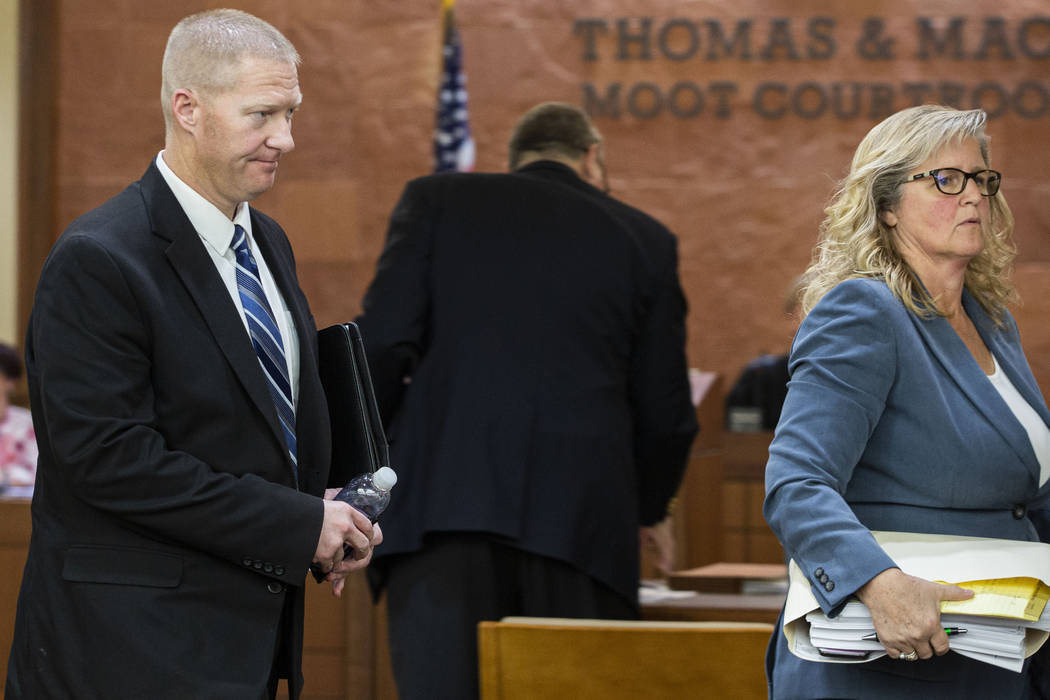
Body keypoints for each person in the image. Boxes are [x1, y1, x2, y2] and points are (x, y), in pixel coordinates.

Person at [5, 10, 381, 700]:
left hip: (241, 647)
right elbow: (111, 461)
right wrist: (298, 524)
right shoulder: (99, 259)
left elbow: (244, 430)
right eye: (262, 114)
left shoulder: (269, 241)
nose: (286, 139)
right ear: (188, 108)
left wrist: (321, 505)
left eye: (291, 112)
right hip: (127, 655)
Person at [356, 101, 698, 699]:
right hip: (581, 527)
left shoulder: (435, 203)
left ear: (515, 161)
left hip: (442, 514)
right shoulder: (645, 239)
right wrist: (648, 508)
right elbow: (666, 410)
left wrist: (361, 469)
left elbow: (382, 346)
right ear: (591, 158)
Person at [763, 104, 1050, 699]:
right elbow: (796, 481)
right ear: (887, 206)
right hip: (890, 663)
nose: (973, 195)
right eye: (946, 179)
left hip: (995, 656)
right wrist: (878, 583)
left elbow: (1028, 491)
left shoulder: (990, 321)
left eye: (982, 179)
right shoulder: (864, 312)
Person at [0, 342, 37, 490]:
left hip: (19, 505)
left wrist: (6, 478)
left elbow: (39, 472)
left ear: (10, 380)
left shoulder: (26, 422)